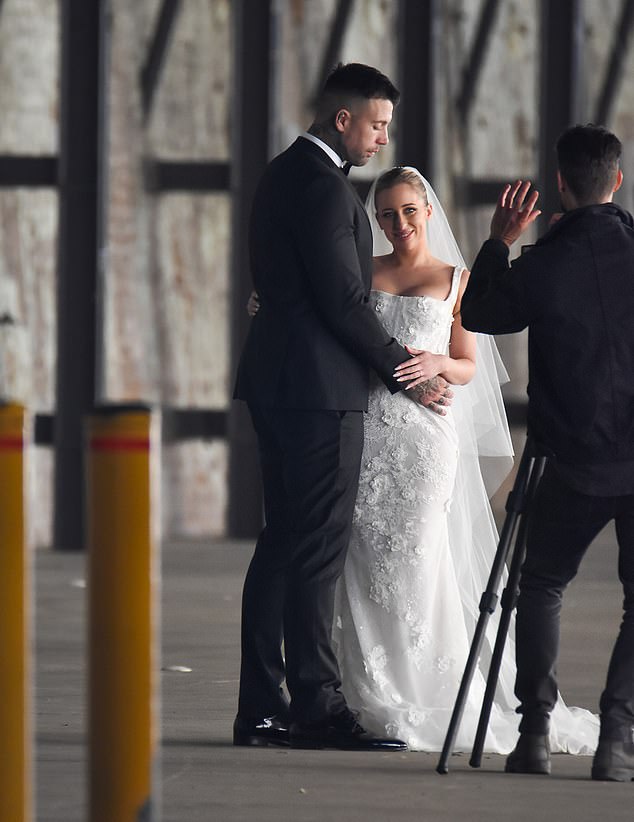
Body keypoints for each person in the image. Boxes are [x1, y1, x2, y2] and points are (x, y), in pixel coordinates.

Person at [332, 166, 598, 755]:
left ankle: (431, 684)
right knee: (363, 556)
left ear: (428, 211)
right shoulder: (363, 273)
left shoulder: (457, 279)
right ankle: (368, 691)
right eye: (385, 215)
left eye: (407, 211)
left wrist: (434, 366)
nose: (397, 224)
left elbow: (469, 366)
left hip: (426, 440)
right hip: (370, 432)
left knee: (422, 554)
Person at [232, 63, 452, 752]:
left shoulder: (278, 175)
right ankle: (317, 709)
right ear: (343, 119)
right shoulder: (327, 191)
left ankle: (263, 708)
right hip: (319, 394)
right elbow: (342, 302)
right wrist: (405, 373)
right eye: (377, 124)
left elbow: (287, 287)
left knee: (281, 546)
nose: (382, 138)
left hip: (276, 383)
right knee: (318, 550)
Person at [460, 124, 634, 780]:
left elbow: (479, 313)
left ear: (560, 183)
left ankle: (532, 734)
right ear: (616, 180)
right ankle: (617, 740)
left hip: (570, 459)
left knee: (541, 585)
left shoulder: (542, 262)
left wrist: (499, 242)